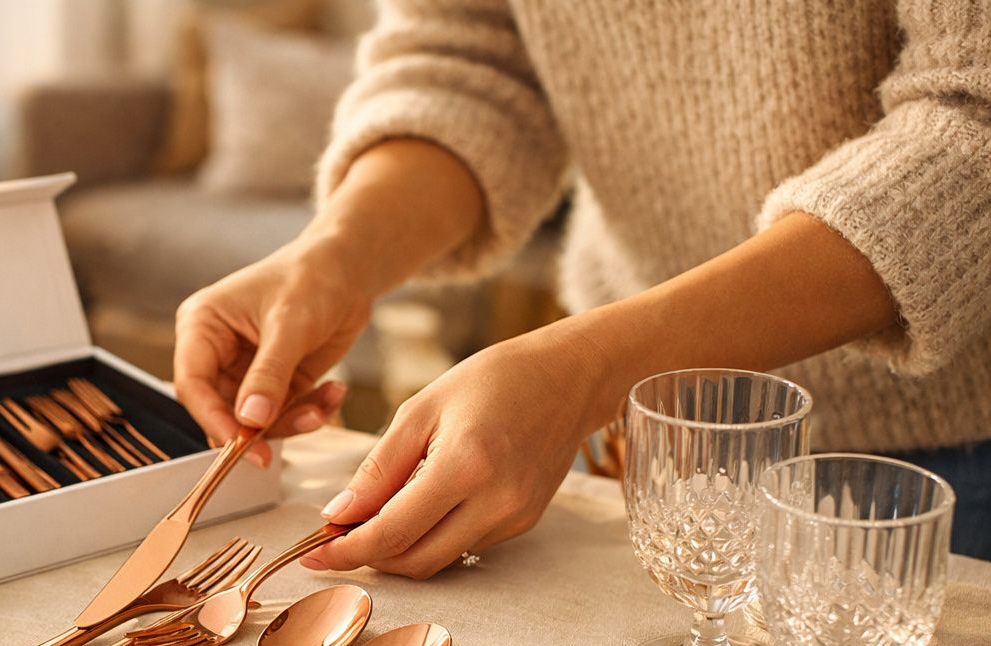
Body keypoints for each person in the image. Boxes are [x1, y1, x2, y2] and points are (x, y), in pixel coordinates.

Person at [172, 0, 991, 573]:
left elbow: (973, 122)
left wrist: (587, 371)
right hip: (641, 442)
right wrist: (335, 256)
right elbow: (465, 63)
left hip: (951, 463)